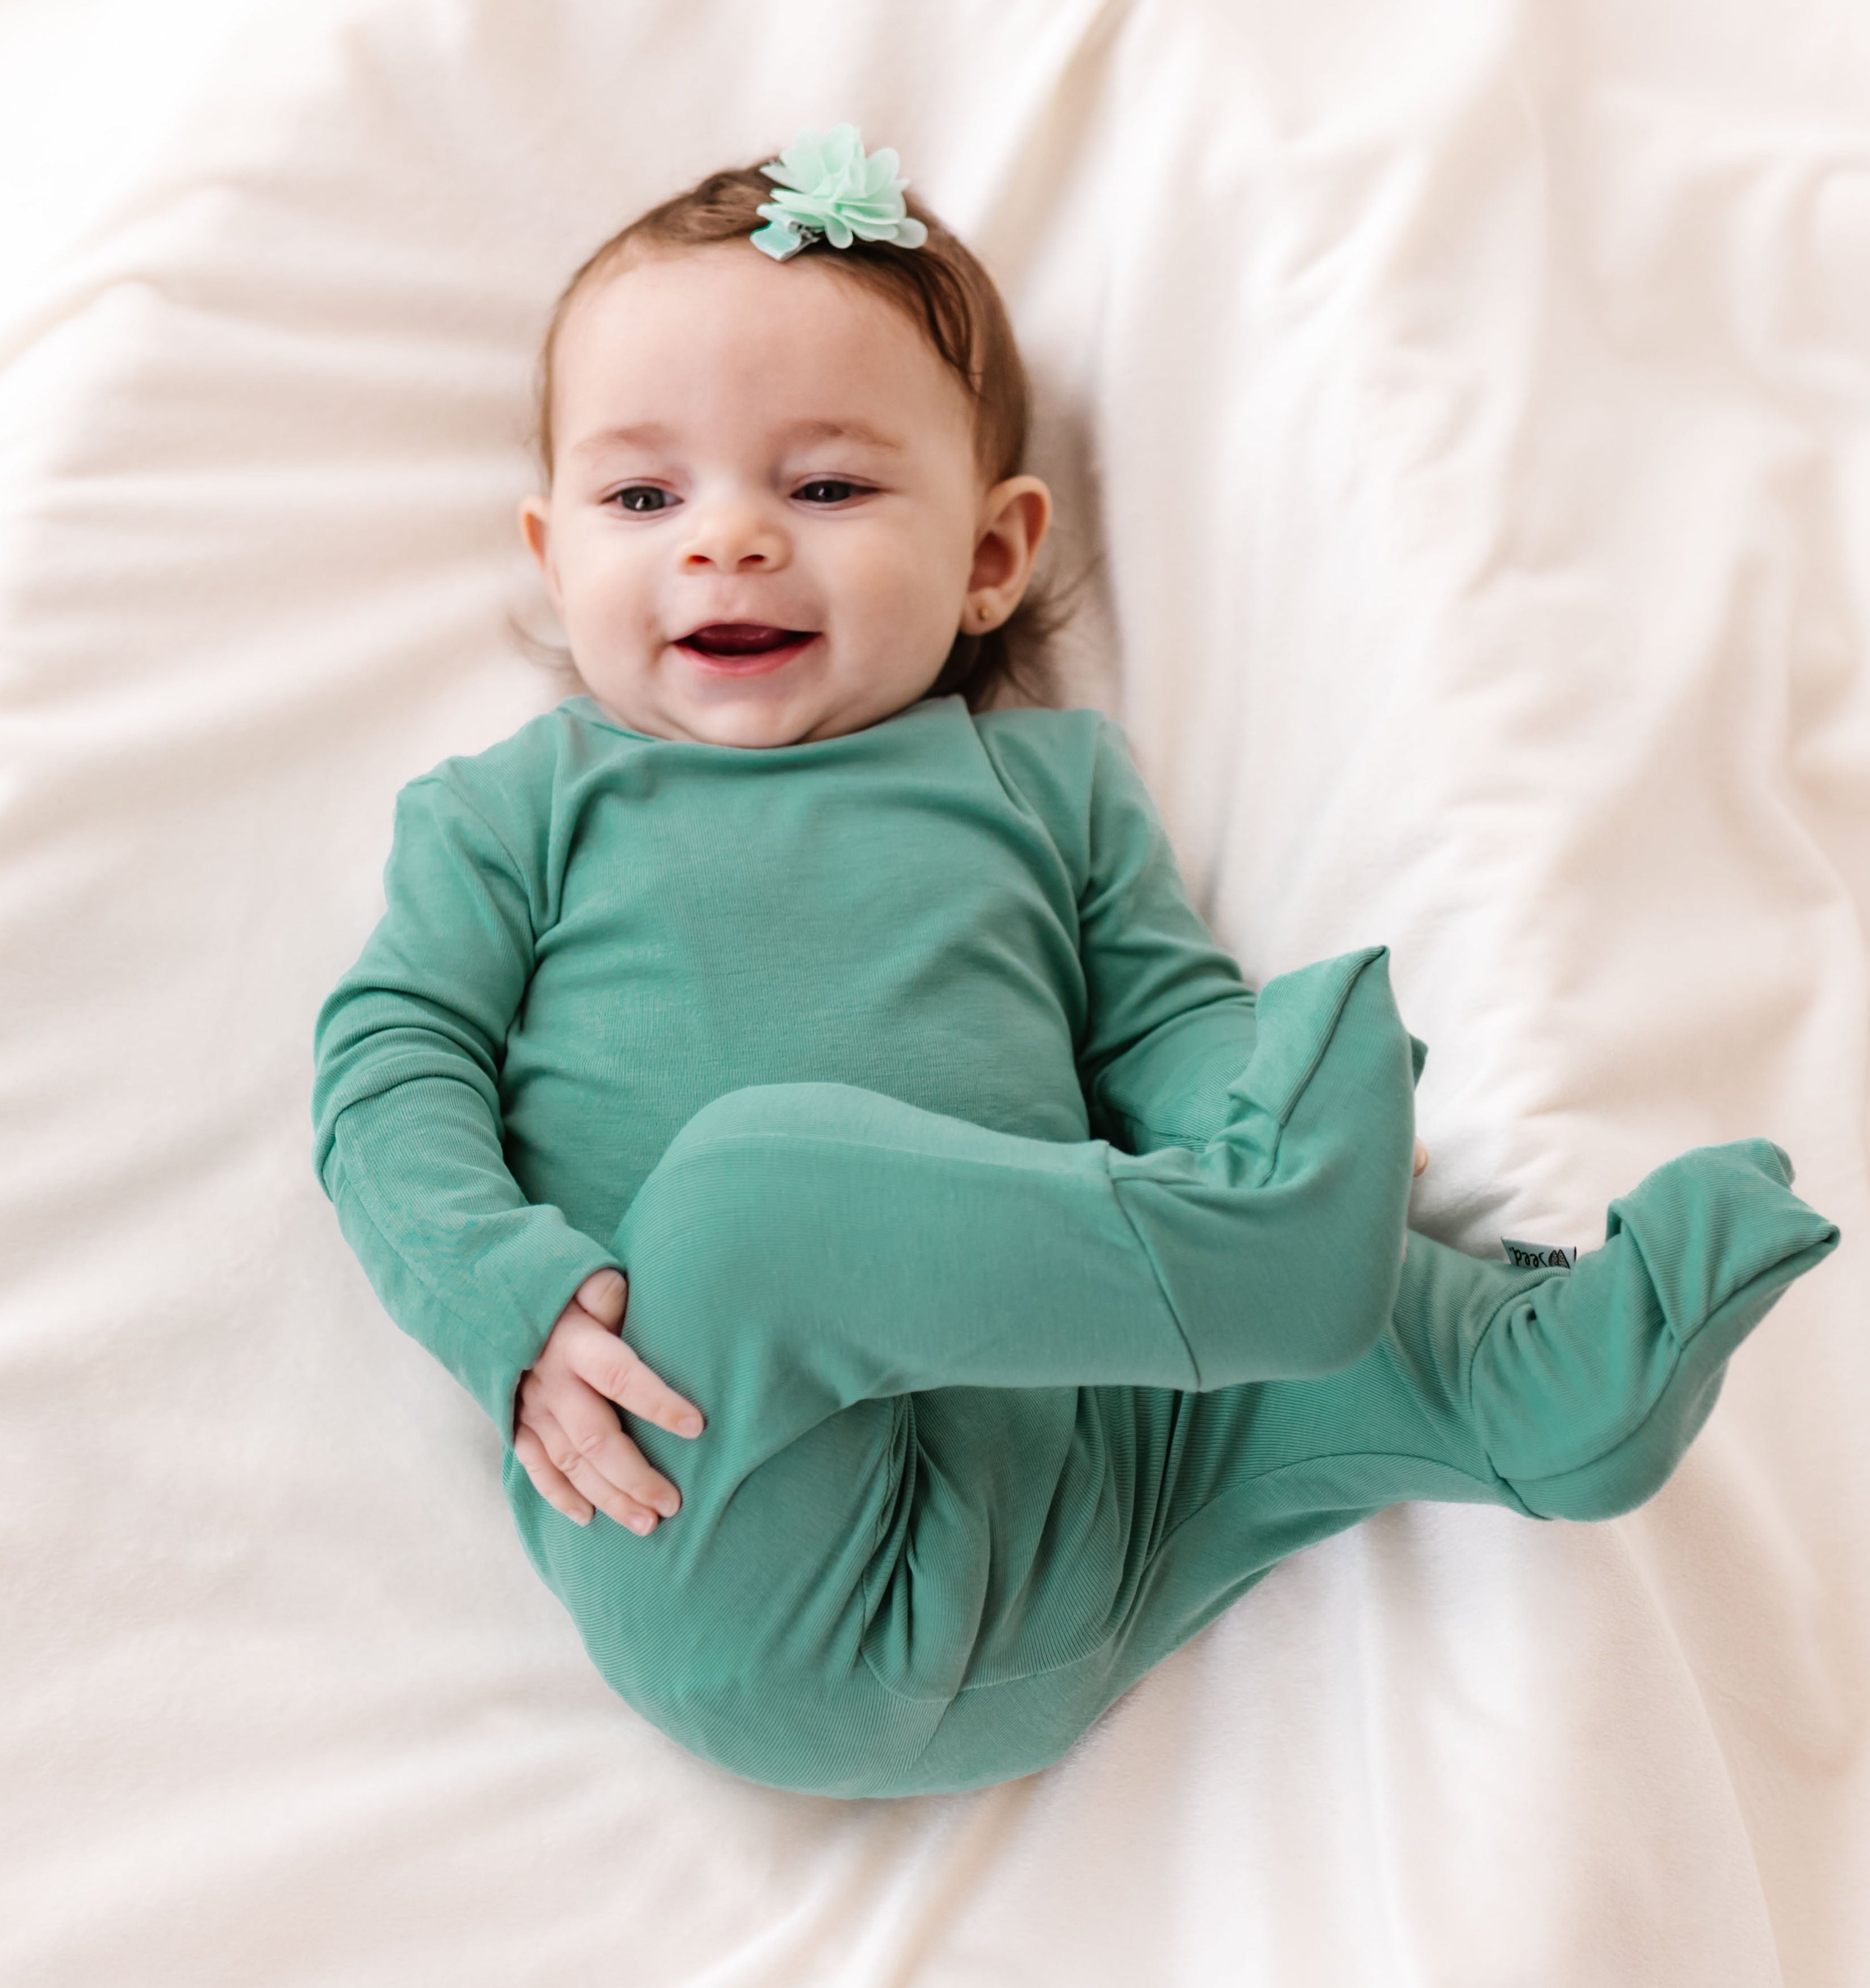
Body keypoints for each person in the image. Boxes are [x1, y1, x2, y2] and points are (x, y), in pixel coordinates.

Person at [310, 127, 1839, 1798]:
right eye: (643, 497)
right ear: (553, 555)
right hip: (716, 1511)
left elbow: (1167, 1023)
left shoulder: (1046, 785)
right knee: (755, 1189)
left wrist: (1245, 1108)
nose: (726, 539)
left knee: (1272, 1281)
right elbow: (390, 1068)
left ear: (992, 556)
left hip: (1085, 1494)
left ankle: (1526, 1388)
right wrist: (507, 1302)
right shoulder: (519, 808)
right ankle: (1275, 1254)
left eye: (825, 489)